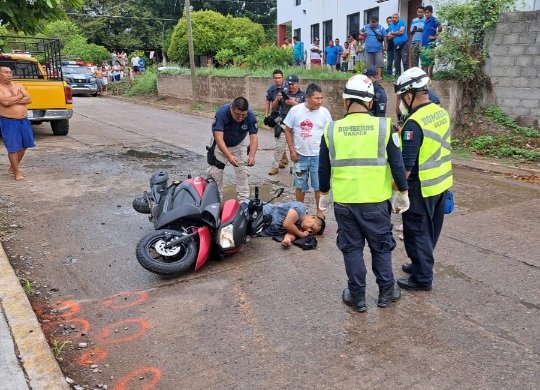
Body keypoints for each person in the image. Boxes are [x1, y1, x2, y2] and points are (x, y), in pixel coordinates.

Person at [318, 74, 409, 312]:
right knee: (380, 247)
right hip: (376, 203)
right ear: (370, 102)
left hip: (345, 203)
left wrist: (325, 194)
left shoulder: (332, 129)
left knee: (352, 249)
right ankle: (386, 293)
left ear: (345, 100)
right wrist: (403, 193)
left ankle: (357, 296)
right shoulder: (385, 126)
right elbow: (398, 165)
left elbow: (323, 167)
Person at [394, 67, 453, 291]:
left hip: (422, 186)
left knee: (417, 231)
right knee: (431, 229)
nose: (400, 102)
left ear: (409, 95)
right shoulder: (440, 113)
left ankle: (422, 278)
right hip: (441, 183)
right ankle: (420, 264)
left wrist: (398, 192)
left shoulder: (414, 123)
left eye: (401, 97)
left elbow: (406, 165)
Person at [284, 83, 332, 215]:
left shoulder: (325, 113)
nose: (320, 101)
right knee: (300, 186)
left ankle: (319, 214)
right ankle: (300, 212)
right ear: (307, 98)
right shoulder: (295, 111)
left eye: (321, 98)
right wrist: (292, 150)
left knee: (319, 186)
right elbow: (288, 130)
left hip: (318, 157)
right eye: (317, 98)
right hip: (300, 156)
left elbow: (330, 134)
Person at [206, 97, 258, 201]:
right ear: (231, 109)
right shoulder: (222, 113)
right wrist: (229, 156)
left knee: (243, 173)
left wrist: (252, 156)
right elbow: (218, 137)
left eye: (243, 115)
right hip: (220, 145)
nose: (240, 118)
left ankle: (243, 203)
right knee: (216, 174)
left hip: (239, 144)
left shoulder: (251, 116)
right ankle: (215, 202)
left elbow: (254, 137)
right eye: (237, 114)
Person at [0, 66, 35, 181]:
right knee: (13, 148)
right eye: (6, 72)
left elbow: (29, 99)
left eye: (10, 72)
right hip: (8, 121)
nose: (9, 74)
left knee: (25, 145)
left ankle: (12, 168)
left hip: (24, 120)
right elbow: (5, 102)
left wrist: (12, 100)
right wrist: (20, 96)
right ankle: (17, 172)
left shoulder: (18, 85)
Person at [269, 74, 305, 175]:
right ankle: (275, 166)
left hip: (297, 125)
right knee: (279, 147)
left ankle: (293, 167)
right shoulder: (283, 92)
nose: (291, 86)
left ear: (298, 84)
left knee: (295, 147)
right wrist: (277, 99)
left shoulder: (303, 95)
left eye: (293, 84)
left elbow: (307, 109)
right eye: (289, 84)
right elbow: (274, 107)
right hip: (284, 123)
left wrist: (295, 104)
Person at [258, 201, 325, 248]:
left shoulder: (297, 228)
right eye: (312, 227)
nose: (308, 229)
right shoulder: (300, 208)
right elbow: (287, 224)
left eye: (311, 231)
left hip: (255, 228)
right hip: (258, 212)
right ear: (313, 217)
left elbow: (291, 233)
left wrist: (287, 240)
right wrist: (301, 234)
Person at [264, 70, 289, 175]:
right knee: (279, 137)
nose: (278, 79)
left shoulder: (289, 88)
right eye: (276, 78)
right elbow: (267, 101)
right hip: (276, 117)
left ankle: (282, 160)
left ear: (283, 77)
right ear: (273, 78)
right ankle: (282, 159)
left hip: (287, 117)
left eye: (279, 77)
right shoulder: (271, 89)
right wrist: (266, 115)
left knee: (282, 139)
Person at [421, 5, 442, 77]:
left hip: (431, 43)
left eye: (427, 12)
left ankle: (429, 76)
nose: (426, 14)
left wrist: (435, 36)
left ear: (431, 12)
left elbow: (440, 27)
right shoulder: (425, 21)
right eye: (425, 13)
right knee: (424, 61)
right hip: (424, 43)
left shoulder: (434, 20)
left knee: (430, 60)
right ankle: (426, 76)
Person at [387, 13, 409, 77]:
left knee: (405, 61)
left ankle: (406, 76)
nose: (394, 19)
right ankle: (397, 76)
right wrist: (396, 33)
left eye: (395, 18)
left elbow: (401, 32)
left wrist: (392, 33)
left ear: (398, 18)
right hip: (396, 45)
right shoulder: (391, 26)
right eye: (393, 17)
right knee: (396, 62)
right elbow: (388, 37)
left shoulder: (402, 22)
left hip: (404, 44)